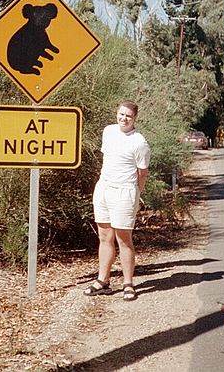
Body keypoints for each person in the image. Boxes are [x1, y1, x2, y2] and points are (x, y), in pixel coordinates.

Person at [84, 100, 150, 301]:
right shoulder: (109, 131)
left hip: (125, 192)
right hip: (104, 188)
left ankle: (128, 284)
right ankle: (102, 281)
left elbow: (142, 173)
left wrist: (135, 194)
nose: (124, 118)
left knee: (124, 239)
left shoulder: (140, 142)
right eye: (121, 114)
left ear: (135, 118)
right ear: (117, 114)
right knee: (105, 237)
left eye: (128, 116)